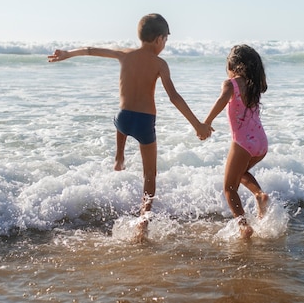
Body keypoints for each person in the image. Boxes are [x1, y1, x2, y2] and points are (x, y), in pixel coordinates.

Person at [48, 13, 212, 225]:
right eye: (166, 40)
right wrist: (197, 124)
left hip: (123, 119)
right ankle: (144, 218)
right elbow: (174, 97)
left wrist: (67, 54)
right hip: (145, 123)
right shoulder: (160, 64)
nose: (165, 45)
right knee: (150, 175)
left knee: (120, 120)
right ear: (159, 39)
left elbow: (90, 50)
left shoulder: (124, 54)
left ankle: (119, 158)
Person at [204, 44, 269, 239]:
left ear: (233, 66)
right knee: (240, 174)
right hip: (261, 142)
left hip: (243, 143)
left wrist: (206, 122)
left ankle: (243, 227)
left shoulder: (231, 84)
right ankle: (259, 194)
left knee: (229, 188)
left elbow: (223, 99)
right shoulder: (253, 85)